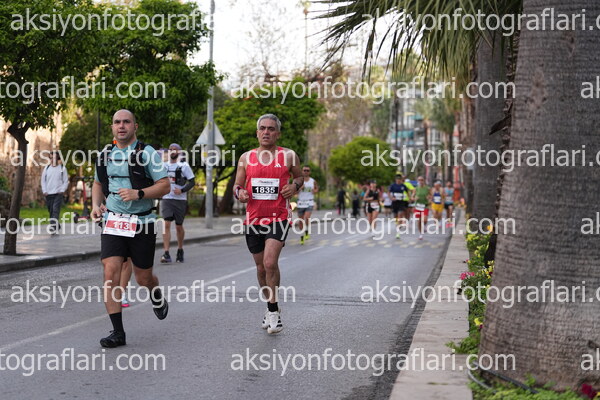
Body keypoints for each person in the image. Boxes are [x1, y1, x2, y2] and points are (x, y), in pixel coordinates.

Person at [91, 109, 171, 348]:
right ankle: (118, 332)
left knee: (143, 277)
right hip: (114, 221)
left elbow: (165, 186)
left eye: (126, 122)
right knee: (110, 273)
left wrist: (139, 193)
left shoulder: (147, 153)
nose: (121, 126)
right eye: (117, 122)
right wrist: (95, 205)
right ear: (112, 127)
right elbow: (97, 183)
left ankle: (155, 293)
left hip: (142, 223)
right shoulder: (106, 154)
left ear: (135, 126)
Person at [233, 114, 303, 334]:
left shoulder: (289, 155)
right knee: (261, 268)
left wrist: (294, 187)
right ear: (257, 133)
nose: (266, 132)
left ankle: (273, 312)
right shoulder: (246, 158)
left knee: (270, 262)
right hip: (253, 219)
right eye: (262, 128)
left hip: (279, 217)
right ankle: (270, 305)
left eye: (271, 129)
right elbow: (237, 185)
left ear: (277, 134)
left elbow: (299, 178)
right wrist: (240, 193)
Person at [160, 143, 195, 263]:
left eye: (175, 149)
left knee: (178, 226)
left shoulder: (184, 166)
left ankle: (180, 249)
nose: (172, 151)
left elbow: (192, 182)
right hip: (167, 198)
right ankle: (166, 253)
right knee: (166, 224)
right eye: (170, 149)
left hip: (180, 200)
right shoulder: (164, 165)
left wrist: (182, 190)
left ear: (179, 152)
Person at [41, 151, 69, 234]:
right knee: (51, 210)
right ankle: (56, 225)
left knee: (55, 210)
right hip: (48, 193)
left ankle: (53, 226)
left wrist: (62, 190)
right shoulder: (46, 168)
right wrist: (44, 190)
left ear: (58, 158)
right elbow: (43, 181)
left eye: (54, 158)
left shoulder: (62, 168)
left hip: (58, 193)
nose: (53, 159)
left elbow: (66, 181)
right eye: (51, 158)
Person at [296, 165, 318, 245]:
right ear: (302, 171)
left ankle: (307, 230)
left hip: (309, 202)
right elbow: (294, 192)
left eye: (307, 170)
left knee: (307, 217)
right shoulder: (298, 181)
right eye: (304, 170)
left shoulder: (313, 181)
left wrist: (314, 191)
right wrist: (300, 188)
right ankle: (302, 235)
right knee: (301, 221)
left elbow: (316, 189)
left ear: (309, 172)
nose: (306, 172)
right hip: (300, 202)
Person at [389, 174, 410, 239]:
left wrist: (409, 198)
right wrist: (391, 198)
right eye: (397, 179)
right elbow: (388, 192)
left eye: (399, 179)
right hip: (395, 203)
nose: (398, 180)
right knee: (395, 216)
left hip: (401, 202)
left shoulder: (403, 186)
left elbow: (407, 192)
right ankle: (398, 223)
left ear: (401, 180)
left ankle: (398, 232)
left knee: (400, 215)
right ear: (395, 180)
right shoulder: (393, 186)